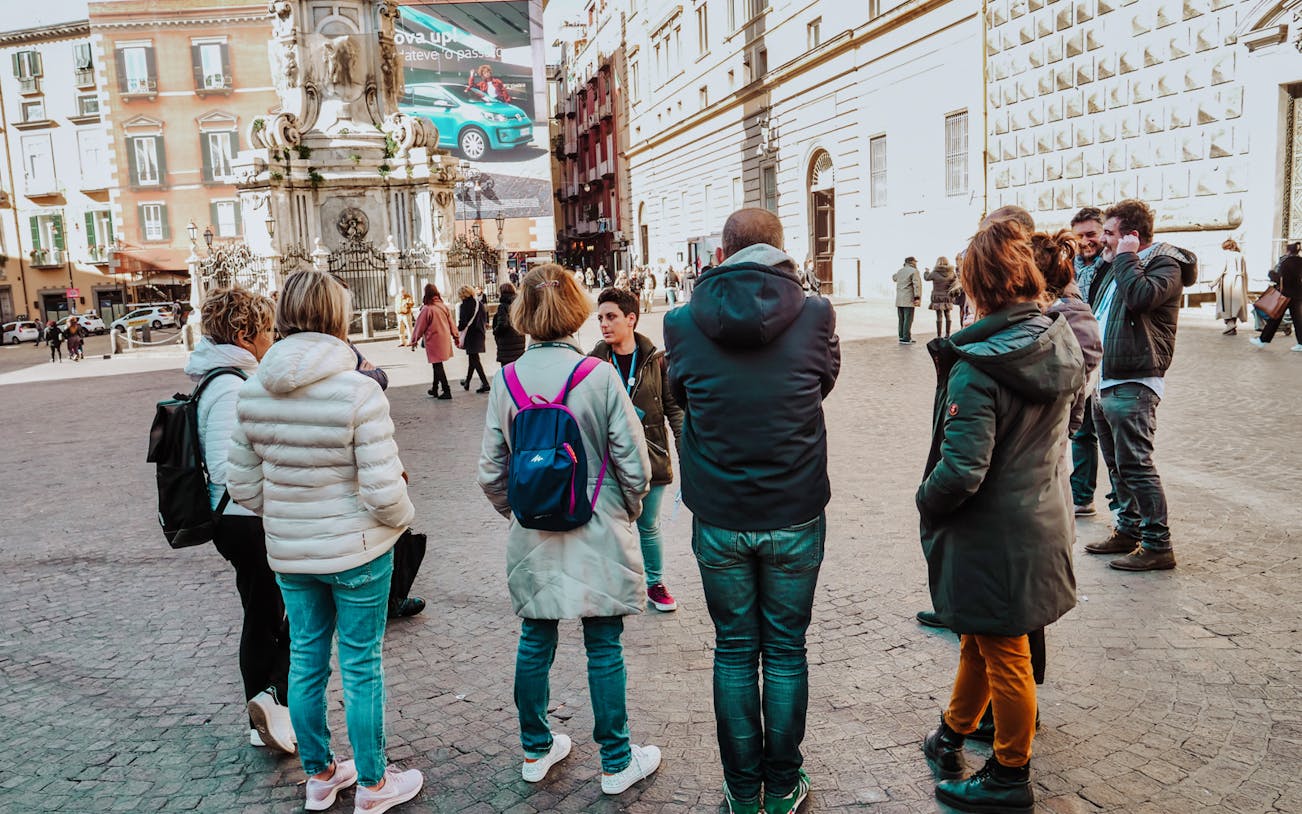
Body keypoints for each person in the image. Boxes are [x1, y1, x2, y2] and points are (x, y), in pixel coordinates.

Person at [227, 270, 423, 813]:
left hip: (291, 551)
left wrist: (290, 510)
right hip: (358, 548)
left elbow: (240, 484)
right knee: (361, 665)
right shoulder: (359, 391)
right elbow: (386, 493)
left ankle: (319, 775)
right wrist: (401, 521)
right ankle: (375, 786)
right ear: (337, 316)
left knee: (308, 662)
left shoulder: (253, 390)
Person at [664, 208, 840, 814]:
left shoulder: (681, 322)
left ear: (723, 251)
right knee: (786, 648)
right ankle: (783, 781)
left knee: (735, 649)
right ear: (781, 249)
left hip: (719, 511)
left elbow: (678, 393)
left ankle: (743, 790)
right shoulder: (815, 314)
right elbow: (824, 382)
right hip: (793, 504)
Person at [477, 263, 662, 796]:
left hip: (534, 531)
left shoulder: (506, 381)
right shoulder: (598, 376)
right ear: (575, 310)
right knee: (604, 645)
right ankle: (616, 760)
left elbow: (491, 471)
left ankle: (536, 748)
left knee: (535, 638)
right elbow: (635, 464)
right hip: (598, 524)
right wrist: (622, 511)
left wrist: (522, 512)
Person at [918, 218, 1083, 814]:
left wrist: (926, 500)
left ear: (977, 285)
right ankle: (952, 733)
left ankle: (1011, 772)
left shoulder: (979, 361)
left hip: (995, 531)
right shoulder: (1056, 338)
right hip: (1040, 516)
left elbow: (962, 469)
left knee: (1006, 652)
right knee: (982, 639)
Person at [183, 287, 295, 754]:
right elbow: (233, 469)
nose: (272, 339)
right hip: (246, 517)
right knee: (281, 615)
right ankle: (273, 705)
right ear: (245, 333)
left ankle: (264, 711)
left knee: (262, 611)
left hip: (233, 518)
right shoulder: (232, 384)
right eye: (267, 330)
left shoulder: (217, 378)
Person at [1084, 199, 1197, 571]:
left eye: (1111, 234)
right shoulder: (1119, 262)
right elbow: (1092, 304)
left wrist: (1125, 257)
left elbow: (1140, 298)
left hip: (1134, 378)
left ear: (1132, 237)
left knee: (1136, 465)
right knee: (1117, 464)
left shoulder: (1166, 263)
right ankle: (1128, 529)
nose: (1104, 241)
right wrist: (1109, 259)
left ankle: (1157, 543)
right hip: (1106, 377)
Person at [591, 286, 685, 613]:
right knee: (611, 527)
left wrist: (686, 451)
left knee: (648, 526)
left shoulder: (656, 360)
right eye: (600, 317)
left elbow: (674, 409)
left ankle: (655, 583)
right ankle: (613, 585)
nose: (603, 324)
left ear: (631, 318)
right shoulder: (593, 363)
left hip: (652, 457)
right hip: (609, 462)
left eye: (611, 316)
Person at [1067, 207, 1109, 517]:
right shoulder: (1067, 266)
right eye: (1079, 235)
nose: (1085, 241)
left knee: (1112, 437)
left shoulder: (1113, 265)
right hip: (1077, 358)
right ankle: (1082, 496)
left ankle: (1123, 507)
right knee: (1082, 430)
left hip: (1108, 356)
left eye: (1091, 234)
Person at [408, 283, 458, 399]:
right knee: (437, 363)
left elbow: (420, 326)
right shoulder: (443, 306)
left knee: (437, 365)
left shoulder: (427, 309)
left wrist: (414, 340)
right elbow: (451, 323)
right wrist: (456, 337)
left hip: (434, 340)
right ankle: (435, 389)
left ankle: (446, 390)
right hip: (444, 338)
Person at [1250, 242, 1302, 350]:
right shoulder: (1301, 261)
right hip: (1298, 294)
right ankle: (1301, 343)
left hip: (1285, 295)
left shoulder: (1285, 262)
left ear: (1288, 251)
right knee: (1298, 320)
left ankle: (1262, 340)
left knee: (1275, 317)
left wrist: (1271, 274)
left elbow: (1279, 278)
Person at [456, 285, 490, 393]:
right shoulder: (478, 303)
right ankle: (467, 382)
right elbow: (485, 317)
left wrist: (457, 330)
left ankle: (485, 383)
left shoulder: (464, 306)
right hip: (480, 332)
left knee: (475, 359)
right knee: (473, 358)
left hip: (470, 335)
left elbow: (462, 324)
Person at [1212, 239, 1249, 335]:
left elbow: (1221, 269)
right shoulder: (1240, 256)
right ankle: (1232, 328)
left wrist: (1214, 282)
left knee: (1225, 304)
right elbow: (1245, 272)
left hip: (1228, 280)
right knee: (1235, 304)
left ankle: (1230, 324)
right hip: (1239, 281)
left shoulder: (1226, 255)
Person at [492, 282, 526, 368]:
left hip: (507, 343)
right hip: (519, 339)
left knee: (506, 371)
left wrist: (495, 331)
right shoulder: (519, 304)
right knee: (517, 369)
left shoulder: (503, 306)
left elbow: (503, 324)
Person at [924, 257, 958, 338]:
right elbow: (956, 282)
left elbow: (927, 278)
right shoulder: (951, 272)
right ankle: (947, 334)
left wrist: (926, 271)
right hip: (947, 297)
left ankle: (939, 335)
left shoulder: (935, 272)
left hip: (937, 296)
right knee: (948, 314)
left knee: (939, 316)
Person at [893, 257, 923, 344]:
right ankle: (906, 338)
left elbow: (894, 278)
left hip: (899, 299)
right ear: (911, 262)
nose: (916, 263)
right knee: (908, 319)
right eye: (915, 261)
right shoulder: (914, 271)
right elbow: (916, 285)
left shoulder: (900, 271)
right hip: (908, 299)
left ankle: (902, 336)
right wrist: (917, 297)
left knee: (901, 319)